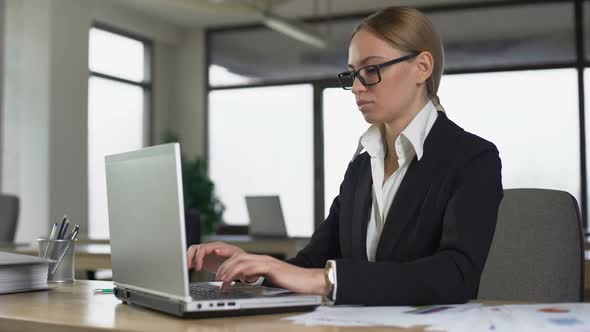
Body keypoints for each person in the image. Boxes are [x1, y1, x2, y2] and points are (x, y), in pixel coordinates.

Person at [187, 6, 503, 306]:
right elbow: (313, 261)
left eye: (371, 69)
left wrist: (327, 282)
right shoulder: (362, 165)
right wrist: (256, 270)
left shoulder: (472, 159)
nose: (356, 87)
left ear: (422, 67)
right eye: (353, 73)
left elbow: (456, 275)